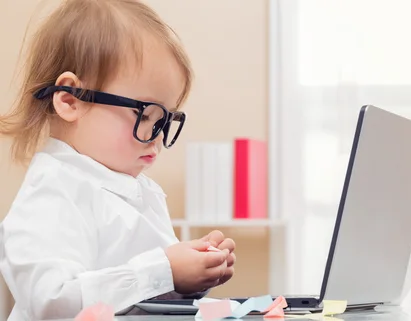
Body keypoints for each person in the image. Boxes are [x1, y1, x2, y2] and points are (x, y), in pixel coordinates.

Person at [0, 0, 236, 320]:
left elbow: (144, 299)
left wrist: (192, 275)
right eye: (145, 116)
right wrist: (165, 270)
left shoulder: (139, 191)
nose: (156, 137)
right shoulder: (54, 191)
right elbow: (52, 302)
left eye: (164, 122)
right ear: (71, 100)